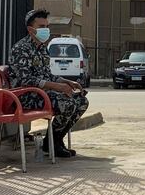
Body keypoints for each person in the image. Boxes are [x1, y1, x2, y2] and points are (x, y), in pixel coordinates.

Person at [7, 9, 89, 158]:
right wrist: (57, 87)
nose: (46, 30)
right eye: (41, 26)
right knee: (67, 102)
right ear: (30, 29)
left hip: (41, 94)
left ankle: (54, 141)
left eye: (47, 26)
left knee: (81, 101)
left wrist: (67, 82)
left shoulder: (43, 48)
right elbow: (26, 80)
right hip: (25, 96)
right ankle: (52, 143)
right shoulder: (21, 48)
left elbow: (47, 74)